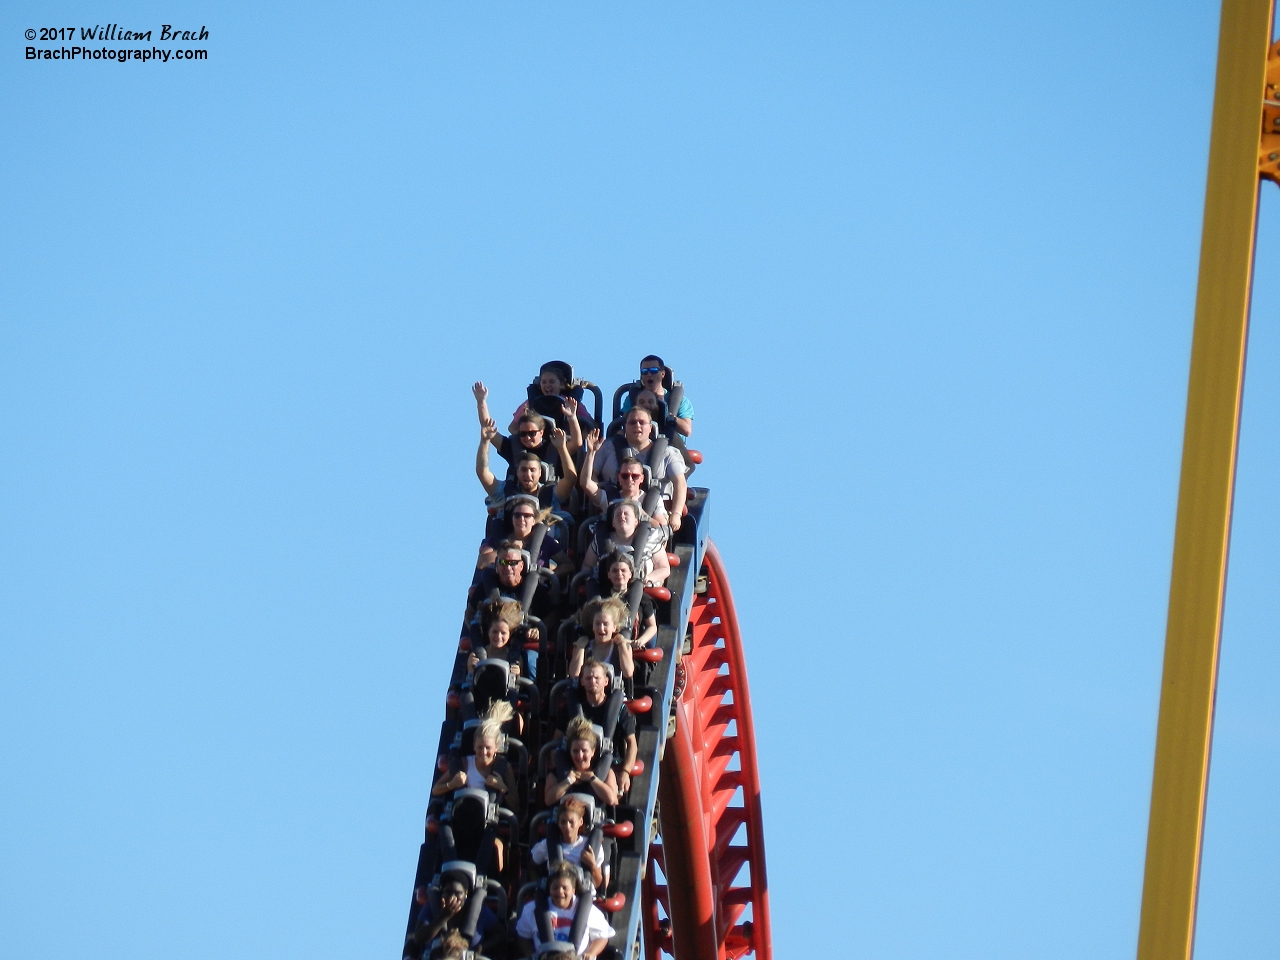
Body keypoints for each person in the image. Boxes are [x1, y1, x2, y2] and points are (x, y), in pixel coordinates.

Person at [591, 408, 687, 531]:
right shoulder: (608, 448)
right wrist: (599, 496)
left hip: (656, 513)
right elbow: (591, 475)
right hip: (614, 510)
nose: (637, 426)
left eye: (642, 422)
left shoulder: (668, 453)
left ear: (650, 427)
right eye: (632, 422)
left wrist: (676, 514)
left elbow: (680, 483)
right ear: (625, 427)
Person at [556, 658, 638, 796]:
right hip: (577, 763)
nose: (592, 681)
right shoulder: (571, 708)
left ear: (606, 681)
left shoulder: (619, 709)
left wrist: (625, 772)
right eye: (588, 678)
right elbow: (557, 739)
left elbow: (632, 743)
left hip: (609, 764)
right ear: (582, 682)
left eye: (597, 678)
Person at [432, 700, 520, 813]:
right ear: (474, 747)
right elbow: (436, 790)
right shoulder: (465, 763)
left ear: (496, 748)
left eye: (488, 748)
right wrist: (451, 784)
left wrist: (502, 787)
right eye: (479, 747)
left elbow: (516, 806)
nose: (483, 752)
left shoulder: (503, 768)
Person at [514, 861, 615, 958]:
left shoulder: (589, 911)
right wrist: (531, 955)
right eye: (555, 888)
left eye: (564, 888)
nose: (560, 892)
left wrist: (591, 953)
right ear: (549, 889)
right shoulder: (532, 909)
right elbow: (523, 937)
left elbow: (602, 937)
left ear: (573, 890)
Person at [476, 418, 577, 505]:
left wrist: (562, 448)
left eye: (532, 470)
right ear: (517, 472)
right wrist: (484, 441)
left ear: (540, 473)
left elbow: (570, 479)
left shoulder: (551, 494)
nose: (528, 474)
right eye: (523, 470)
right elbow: (482, 472)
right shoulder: (505, 491)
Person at [403, 874, 499, 960]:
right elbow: (418, 939)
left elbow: (500, 933)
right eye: (448, 892)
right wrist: (443, 917)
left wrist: (480, 948)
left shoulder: (480, 911)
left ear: (465, 894)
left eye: (457, 893)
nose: (452, 897)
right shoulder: (432, 907)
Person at [579, 434, 669, 526]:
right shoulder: (610, 498)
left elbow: (661, 527)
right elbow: (585, 483)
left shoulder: (654, 499)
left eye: (635, 476)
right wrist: (591, 453)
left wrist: (639, 511)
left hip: (644, 539)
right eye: (625, 476)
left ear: (642, 478)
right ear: (619, 477)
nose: (630, 479)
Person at [580, 500, 670, 586]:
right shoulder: (601, 539)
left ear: (636, 521)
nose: (622, 516)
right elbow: (587, 565)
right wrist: (591, 582)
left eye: (626, 514)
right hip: (605, 589)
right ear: (613, 523)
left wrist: (648, 578)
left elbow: (664, 568)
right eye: (618, 514)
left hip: (642, 590)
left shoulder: (650, 539)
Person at [530, 796, 608, 889]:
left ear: (580, 822)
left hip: (582, 895)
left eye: (571, 822)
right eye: (563, 822)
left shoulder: (590, 847)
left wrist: (592, 865)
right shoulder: (548, 845)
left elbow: (598, 883)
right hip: (557, 893)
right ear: (558, 823)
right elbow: (532, 865)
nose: (567, 827)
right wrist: (539, 884)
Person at [544, 716, 619, 807]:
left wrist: (593, 779)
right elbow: (548, 800)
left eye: (584, 751)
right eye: (575, 751)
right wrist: (568, 781)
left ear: (593, 752)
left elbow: (612, 800)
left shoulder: (607, 772)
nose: (580, 756)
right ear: (569, 751)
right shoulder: (557, 772)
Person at [594, 552, 657, 650]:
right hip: (604, 647)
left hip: (631, 648)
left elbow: (652, 626)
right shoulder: (601, 598)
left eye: (623, 570)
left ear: (630, 574)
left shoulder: (642, 598)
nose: (619, 574)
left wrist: (640, 641)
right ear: (609, 574)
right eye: (615, 571)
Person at [619, 356, 694, 437]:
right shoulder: (631, 399)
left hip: (670, 445)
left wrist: (668, 416)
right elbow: (624, 422)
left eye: (653, 370)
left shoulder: (680, 401)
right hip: (638, 441)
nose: (649, 374)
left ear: (663, 374)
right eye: (644, 371)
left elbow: (687, 430)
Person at [567, 597, 632, 684]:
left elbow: (628, 673)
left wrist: (621, 644)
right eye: (597, 624)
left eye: (605, 624)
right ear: (592, 626)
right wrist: (580, 647)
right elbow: (574, 674)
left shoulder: (622, 647)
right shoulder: (584, 647)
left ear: (614, 627)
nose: (601, 629)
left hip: (614, 694)